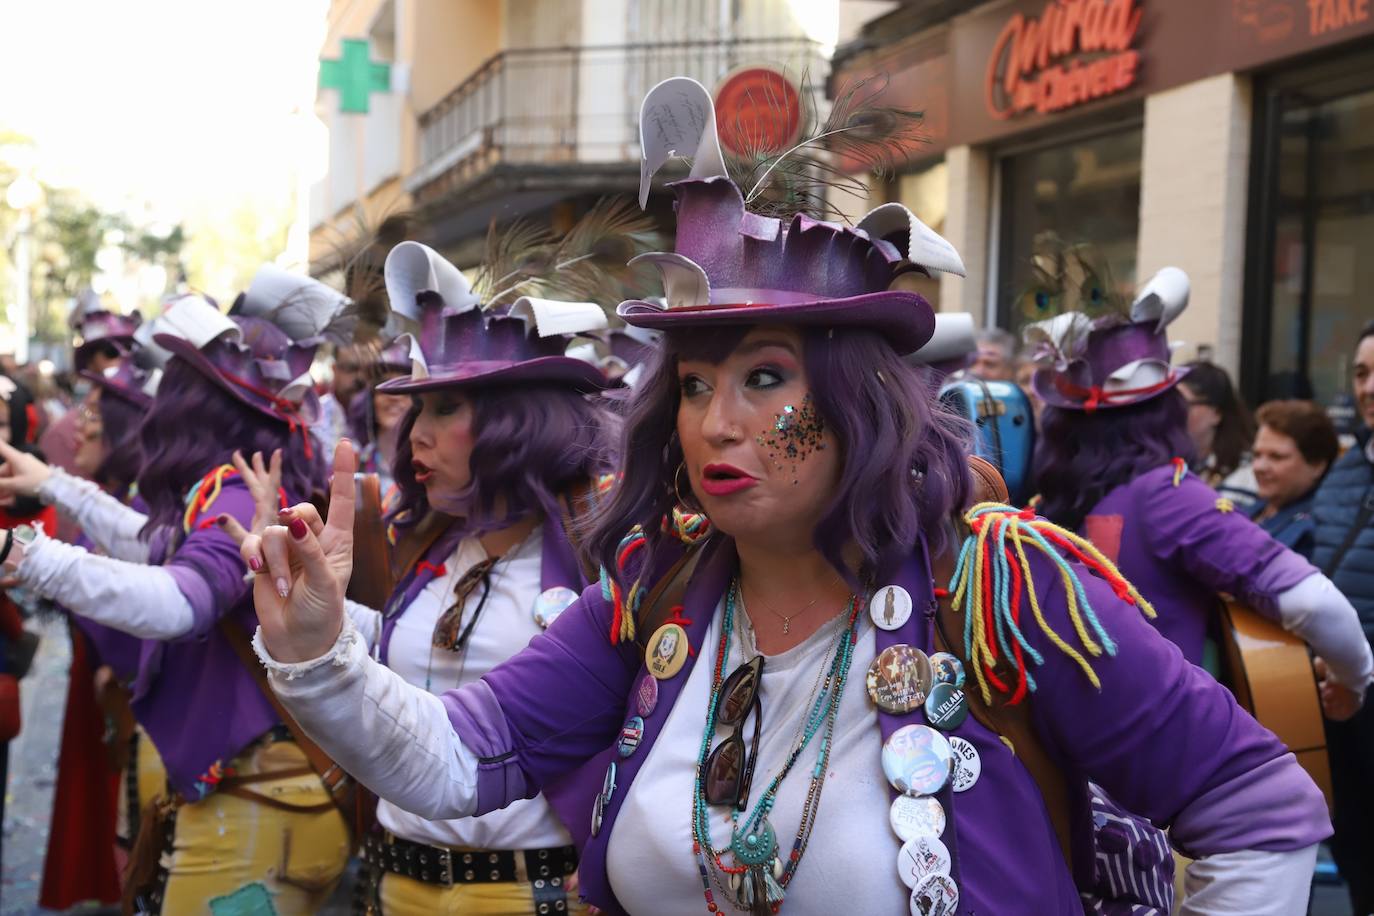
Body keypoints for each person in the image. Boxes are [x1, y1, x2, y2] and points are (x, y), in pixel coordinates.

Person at [243, 77, 1330, 916]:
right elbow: (459, 754)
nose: (718, 423)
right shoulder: (655, 590)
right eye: (699, 385)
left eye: (766, 378)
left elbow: (1256, 810)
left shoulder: (997, 585)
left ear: (856, 399)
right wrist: (318, 649)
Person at [243, 240, 614, 915]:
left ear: (519, 422)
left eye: (446, 409)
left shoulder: (605, 561)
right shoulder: (427, 543)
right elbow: (404, 667)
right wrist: (317, 608)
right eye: (420, 408)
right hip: (391, 887)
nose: (416, 432)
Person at [0, 285, 353, 914]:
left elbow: (177, 602)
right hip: (255, 800)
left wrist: (27, 555)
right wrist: (53, 485)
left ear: (196, 407)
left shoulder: (238, 493)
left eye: (173, 387)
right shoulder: (227, 488)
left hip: (259, 805)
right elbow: (155, 548)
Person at [1028, 268, 1371, 715]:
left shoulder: (1044, 509)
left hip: (1067, 748)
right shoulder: (1166, 496)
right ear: (1167, 409)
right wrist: (1353, 682)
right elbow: (1319, 606)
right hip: (1159, 752)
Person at [1310, 319, 1374, 916]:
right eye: (1360, 372)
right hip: (1340, 696)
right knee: (1355, 844)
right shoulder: (1348, 467)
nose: (1369, 387)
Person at [1249, 399, 1339, 558]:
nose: (1259, 467)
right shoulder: (1252, 508)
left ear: (1316, 465)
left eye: (1276, 457)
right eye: (1256, 455)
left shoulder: (1318, 531)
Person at [1180, 361, 1259, 509]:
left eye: (1182, 405)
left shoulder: (1245, 474)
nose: (1171, 413)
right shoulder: (1164, 464)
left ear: (1216, 413)